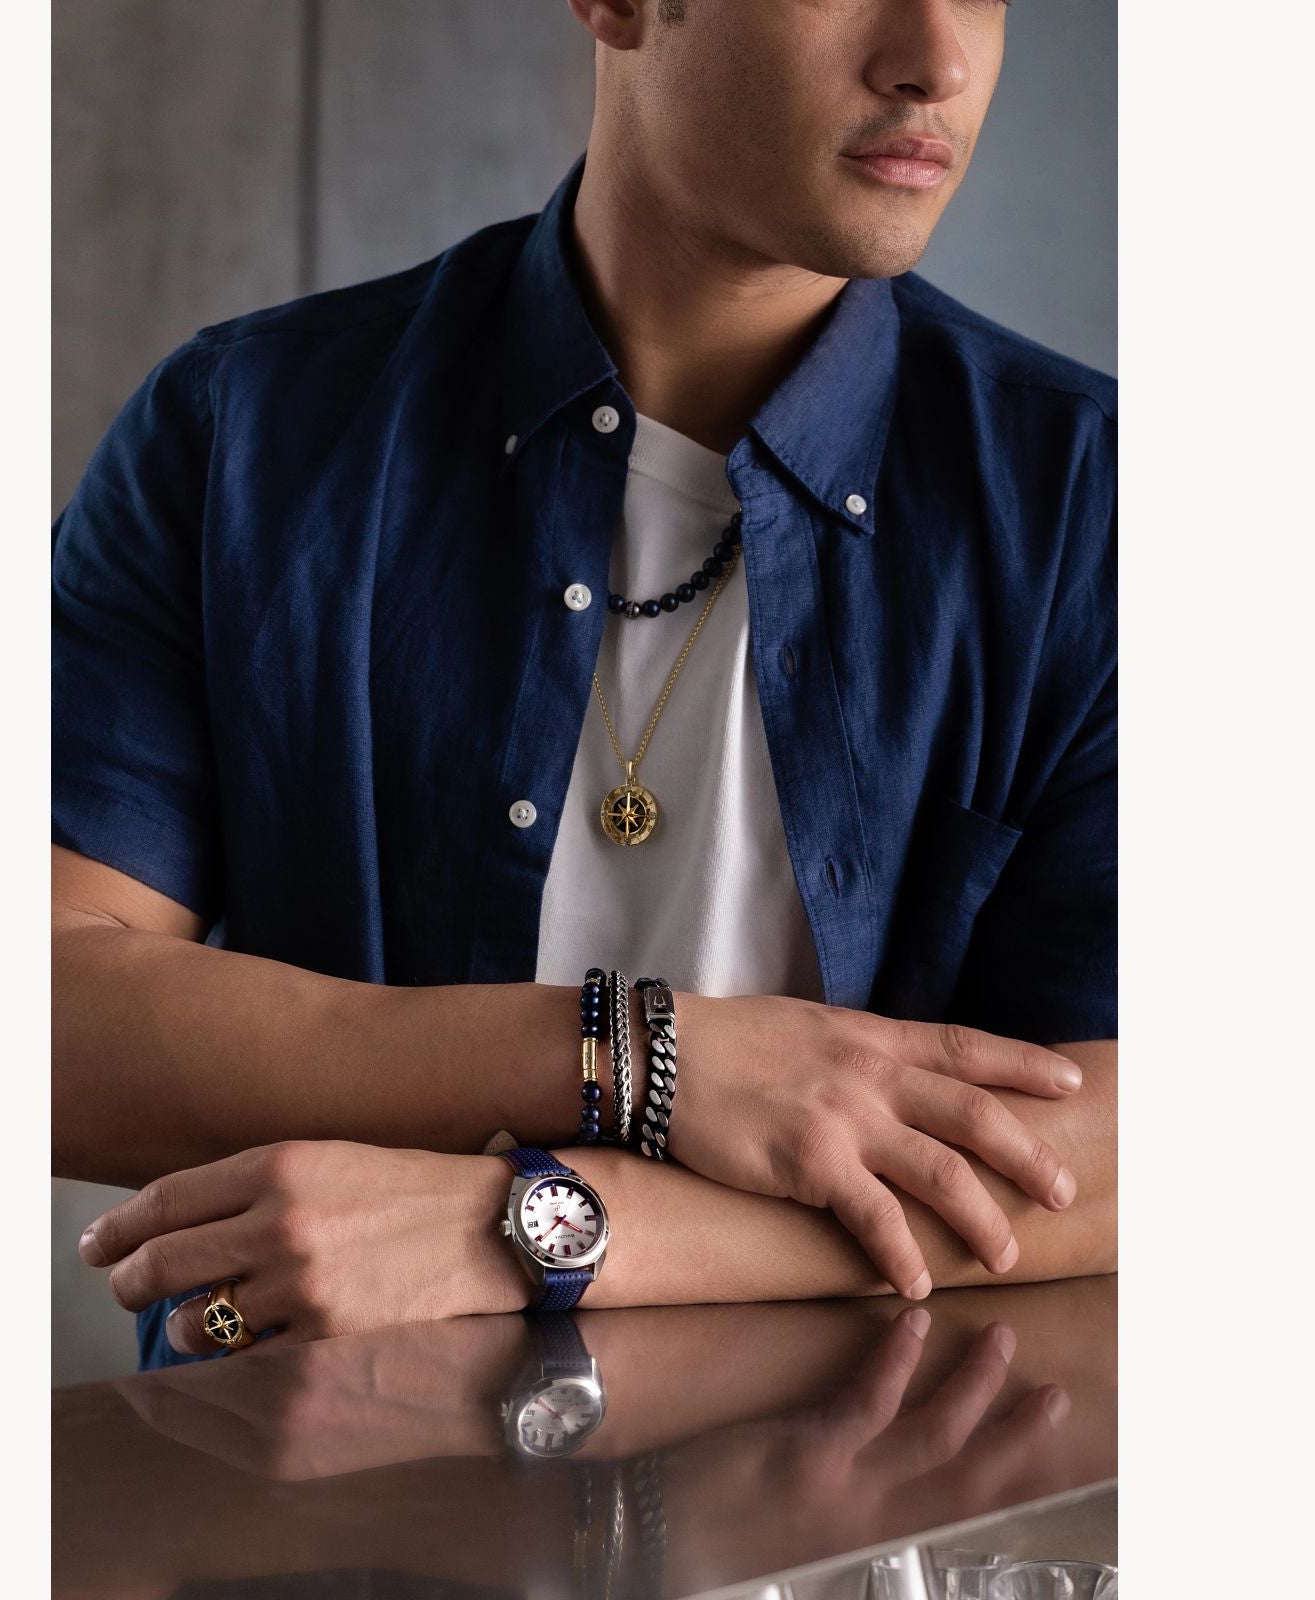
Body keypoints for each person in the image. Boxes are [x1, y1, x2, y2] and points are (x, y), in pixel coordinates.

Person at [54, 0, 1116, 1368]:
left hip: (840, 1545)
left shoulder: (1091, 509)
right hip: (304, 1528)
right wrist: (634, 1058)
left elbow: (1152, 1145)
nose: (941, 59)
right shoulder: (244, 436)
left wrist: (531, 1228)